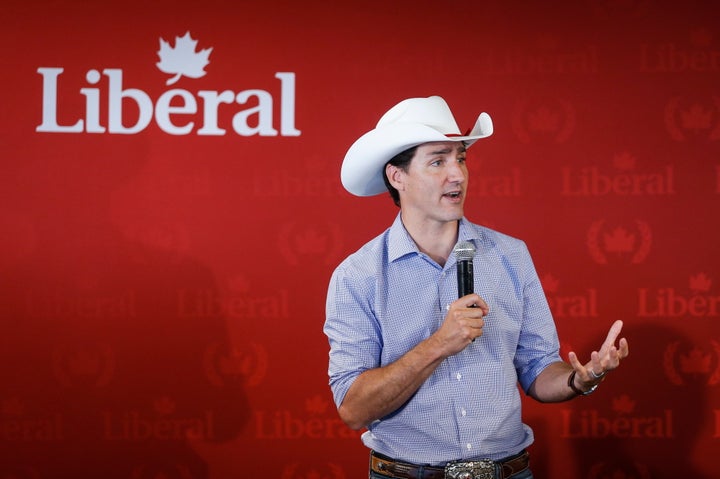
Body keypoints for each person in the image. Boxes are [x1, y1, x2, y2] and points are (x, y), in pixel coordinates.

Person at [323, 95, 629, 479]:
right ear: (397, 176)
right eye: (438, 161)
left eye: (461, 158)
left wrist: (578, 380)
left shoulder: (510, 255)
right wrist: (440, 343)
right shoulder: (358, 276)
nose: (458, 175)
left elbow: (537, 370)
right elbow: (354, 409)